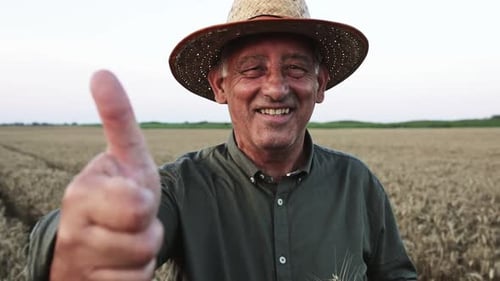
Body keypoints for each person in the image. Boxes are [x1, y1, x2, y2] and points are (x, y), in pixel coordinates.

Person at [27, 0, 418, 280]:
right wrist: (78, 243)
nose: (277, 88)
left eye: (296, 69)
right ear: (220, 86)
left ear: (320, 85)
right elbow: (115, 229)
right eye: (253, 70)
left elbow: (395, 273)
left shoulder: (356, 183)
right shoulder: (180, 188)